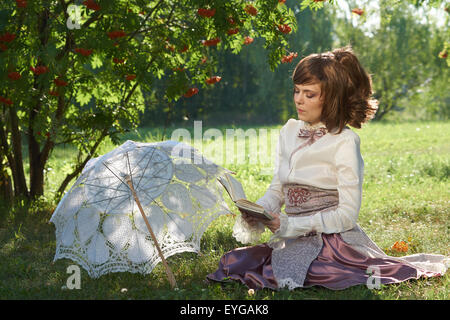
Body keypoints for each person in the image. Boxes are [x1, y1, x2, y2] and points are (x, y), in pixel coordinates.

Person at [206, 46, 448, 291]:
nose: (299, 99)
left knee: (319, 272)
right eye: (297, 91)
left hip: (331, 239)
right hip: (292, 237)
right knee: (233, 262)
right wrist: (259, 212)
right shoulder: (289, 131)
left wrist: (290, 225)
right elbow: (278, 189)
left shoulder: (344, 141)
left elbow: (346, 215)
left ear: (330, 97)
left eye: (309, 94)